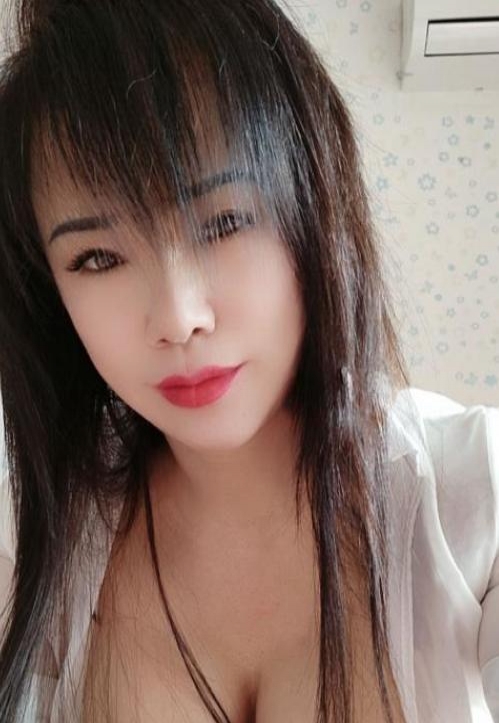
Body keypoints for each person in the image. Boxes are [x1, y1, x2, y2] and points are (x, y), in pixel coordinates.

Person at [0, 1, 497, 721]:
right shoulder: (35, 538)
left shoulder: (473, 490)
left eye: (225, 221)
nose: (178, 317)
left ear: (313, 206)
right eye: (98, 257)